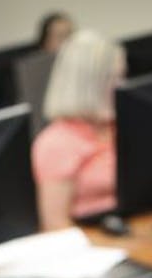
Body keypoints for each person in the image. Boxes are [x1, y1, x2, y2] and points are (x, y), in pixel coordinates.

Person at [31, 30, 125, 230]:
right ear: (88, 85)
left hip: (136, 230)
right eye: (114, 79)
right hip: (94, 243)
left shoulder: (120, 126)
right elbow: (55, 224)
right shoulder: (56, 143)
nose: (121, 86)